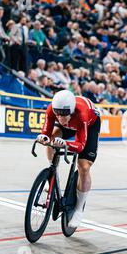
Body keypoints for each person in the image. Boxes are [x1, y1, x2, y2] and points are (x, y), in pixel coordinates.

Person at [36, 90, 101, 228]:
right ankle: (51, 176)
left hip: (89, 125)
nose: (59, 118)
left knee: (83, 166)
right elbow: (46, 134)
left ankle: (78, 209)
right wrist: (44, 138)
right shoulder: (52, 110)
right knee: (52, 140)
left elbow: (80, 146)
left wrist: (66, 144)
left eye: (63, 114)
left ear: (70, 111)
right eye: (57, 113)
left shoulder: (81, 113)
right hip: (71, 123)